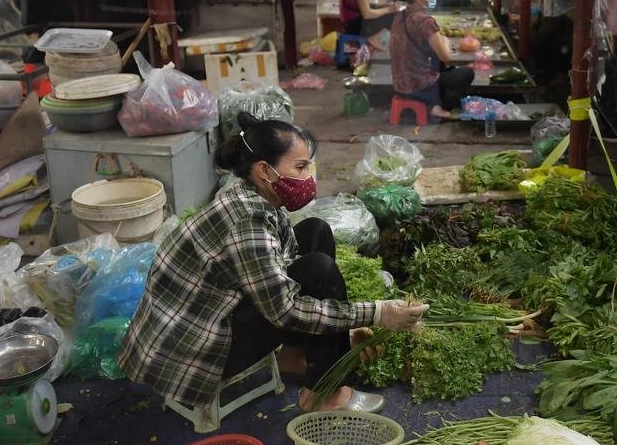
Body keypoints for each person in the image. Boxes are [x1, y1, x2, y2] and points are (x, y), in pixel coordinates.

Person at [118, 116, 429, 415]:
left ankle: (295, 356)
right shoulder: (248, 221)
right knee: (319, 269)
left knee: (315, 231)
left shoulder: (252, 194)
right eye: (301, 167)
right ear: (265, 170)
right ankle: (324, 393)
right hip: (190, 352)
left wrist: (342, 327)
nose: (309, 176)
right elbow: (286, 309)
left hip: (208, 317)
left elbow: (284, 263)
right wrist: (377, 313)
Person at [390, 0, 475, 120]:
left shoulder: (399, 16)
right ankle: (438, 108)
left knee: (440, 65)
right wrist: (446, 42)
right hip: (420, 85)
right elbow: (446, 57)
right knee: (467, 73)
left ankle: (431, 103)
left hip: (400, 84)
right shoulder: (425, 22)